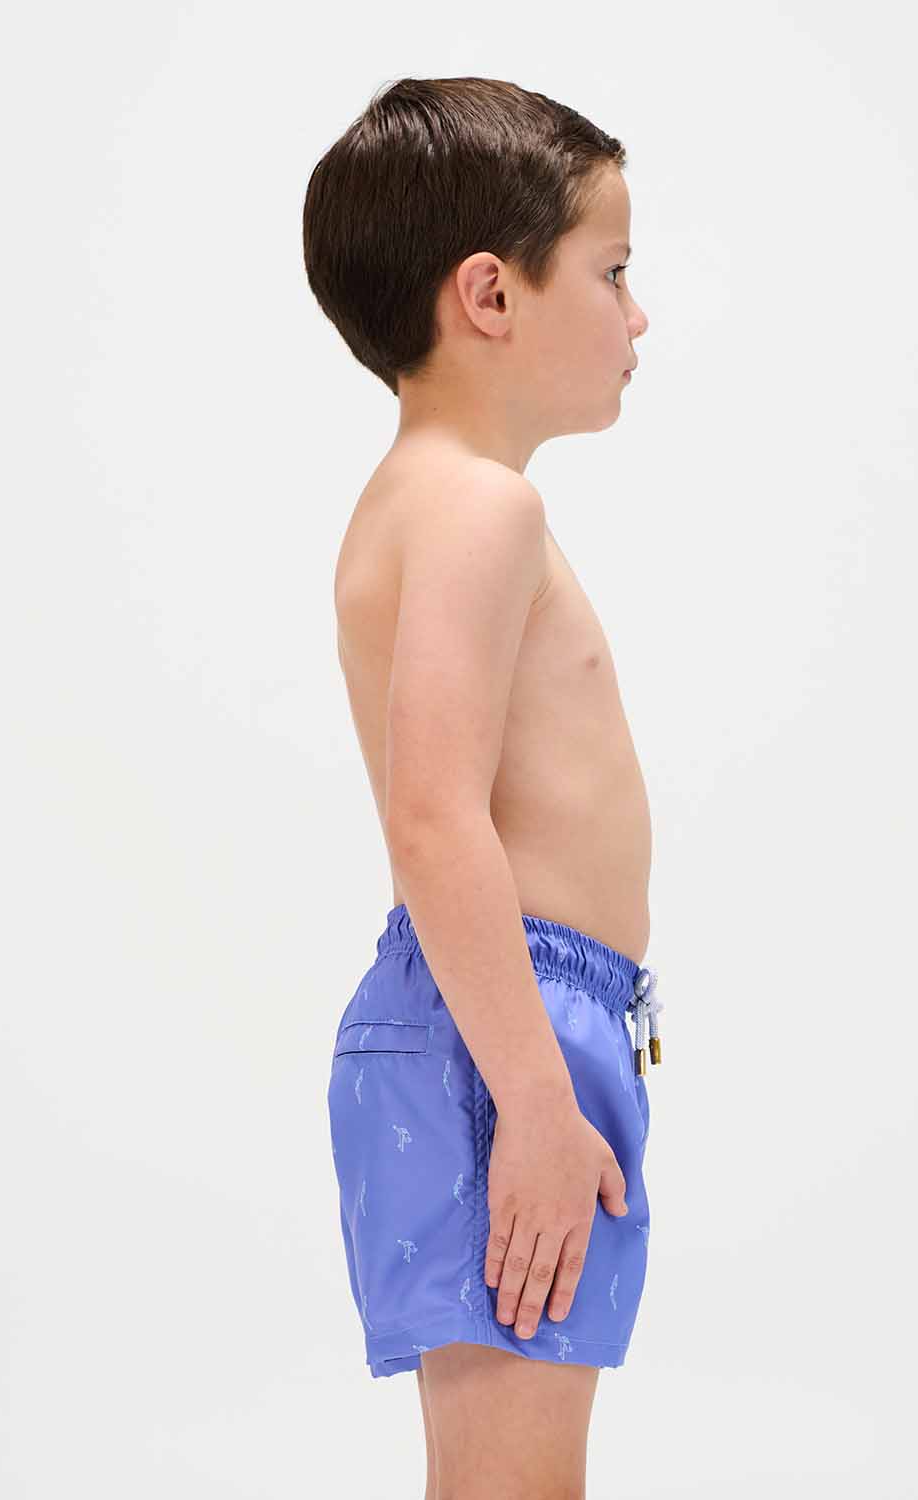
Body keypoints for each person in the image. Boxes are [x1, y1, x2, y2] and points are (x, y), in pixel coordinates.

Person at [303, 75, 660, 1500]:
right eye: (612, 272)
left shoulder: (428, 495)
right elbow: (434, 816)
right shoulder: (477, 505)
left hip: (495, 1024)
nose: (638, 316)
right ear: (490, 295)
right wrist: (534, 1100)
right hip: (504, 1029)